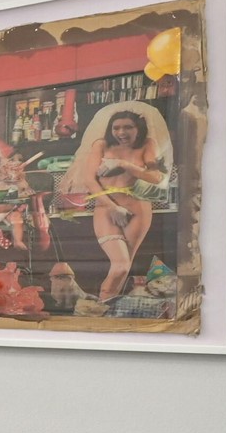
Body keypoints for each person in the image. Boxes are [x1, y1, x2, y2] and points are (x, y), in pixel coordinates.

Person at [64, 106, 170, 299]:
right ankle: (102, 308)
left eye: (128, 127)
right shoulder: (101, 145)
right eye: (116, 128)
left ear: (138, 128)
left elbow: (157, 177)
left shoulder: (147, 144)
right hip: (106, 208)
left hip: (138, 208)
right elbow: (89, 180)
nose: (121, 132)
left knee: (125, 265)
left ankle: (108, 310)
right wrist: (112, 207)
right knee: (120, 265)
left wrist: (123, 164)